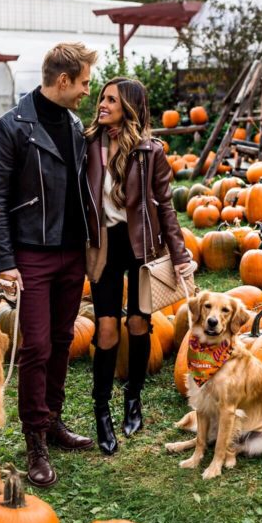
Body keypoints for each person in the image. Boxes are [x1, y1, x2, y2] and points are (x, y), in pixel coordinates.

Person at [0, 42, 99, 487]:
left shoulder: (73, 125)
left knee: (62, 337)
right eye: (85, 82)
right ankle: (35, 438)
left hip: (73, 251)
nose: (88, 91)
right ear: (64, 80)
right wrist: (6, 260)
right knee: (35, 347)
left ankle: (52, 420)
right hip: (32, 252)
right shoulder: (11, 127)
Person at [85, 77, 195, 455]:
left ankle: (133, 398)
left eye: (111, 100)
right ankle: (102, 411)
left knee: (138, 323)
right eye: (101, 97)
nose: (102, 104)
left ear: (129, 107)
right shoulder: (88, 145)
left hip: (141, 247)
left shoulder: (150, 152)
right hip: (103, 246)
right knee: (106, 330)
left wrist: (180, 256)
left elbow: (165, 205)